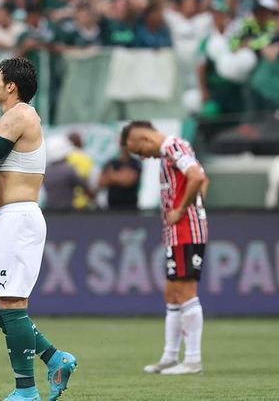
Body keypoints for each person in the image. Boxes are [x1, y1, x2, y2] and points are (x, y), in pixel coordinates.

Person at [0, 58, 77, 401]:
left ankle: (26, 392)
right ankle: (55, 358)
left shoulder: (21, 113)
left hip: (20, 217)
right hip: (8, 218)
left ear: (11, 86)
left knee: (11, 302)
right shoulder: (12, 120)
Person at [121, 120, 208, 375]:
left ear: (145, 139)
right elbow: (204, 180)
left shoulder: (172, 146)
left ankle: (192, 359)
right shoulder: (173, 150)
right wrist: (197, 207)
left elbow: (198, 176)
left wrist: (184, 209)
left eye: (138, 150)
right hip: (177, 232)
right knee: (171, 293)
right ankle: (170, 356)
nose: (141, 157)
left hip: (185, 230)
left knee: (185, 291)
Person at [44, 135, 92, 210]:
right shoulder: (68, 170)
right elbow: (84, 186)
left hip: (49, 210)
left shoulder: (46, 171)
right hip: (67, 211)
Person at [98, 131, 141, 210]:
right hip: (112, 208)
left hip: (130, 208)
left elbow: (128, 181)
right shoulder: (110, 162)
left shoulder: (135, 163)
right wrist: (121, 176)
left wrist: (112, 176)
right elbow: (101, 182)